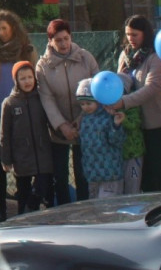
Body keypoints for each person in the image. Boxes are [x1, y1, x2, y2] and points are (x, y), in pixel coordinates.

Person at [0, 10, 38, 222]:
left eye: (4, 28)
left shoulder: (26, 50)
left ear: (13, 27)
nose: (1, 33)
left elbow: (35, 80)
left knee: (22, 164)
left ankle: (23, 210)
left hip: (21, 116)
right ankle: (1, 209)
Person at [36, 18, 99, 206]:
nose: (63, 44)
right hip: (58, 130)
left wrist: (82, 118)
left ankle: (85, 210)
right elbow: (46, 98)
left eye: (66, 38)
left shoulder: (86, 58)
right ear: (50, 41)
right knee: (60, 176)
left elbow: (96, 89)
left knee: (83, 174)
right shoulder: (43, 66)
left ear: (71, 37)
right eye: (58, 40)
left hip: (85, 125)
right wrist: (62, 125)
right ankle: (64, 213)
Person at [109, 14, 161, 192]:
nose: (131, 39)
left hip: (157, 123)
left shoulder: (156, 57)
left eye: (135, 35)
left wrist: (123, 102)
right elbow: (121, 83)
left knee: (160, 170)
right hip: (134, 124)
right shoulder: (125, 55)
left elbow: (151, 88)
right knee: (143, 175)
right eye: (128, 34)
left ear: (145, 34)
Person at [0, 61, 53, 216]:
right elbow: (4, 134)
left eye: (30, 77)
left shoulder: (41, 98)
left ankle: (35, 210)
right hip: (22, 157)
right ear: (16, 80)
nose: (27, 81)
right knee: (23, 192)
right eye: (22, 78)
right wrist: (6, 159)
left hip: (43, 155)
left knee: (42, 187)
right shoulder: (9, 103)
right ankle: (23, 219)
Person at [75, 78, 125, 199]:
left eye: (89, 103)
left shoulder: (108, 117)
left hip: (110, 174)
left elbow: (117, 141)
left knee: (108, 206)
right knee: (96, 207)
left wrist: (116, 126)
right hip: (92, 175)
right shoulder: (84, 120)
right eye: (82, 104)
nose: (85, 107)